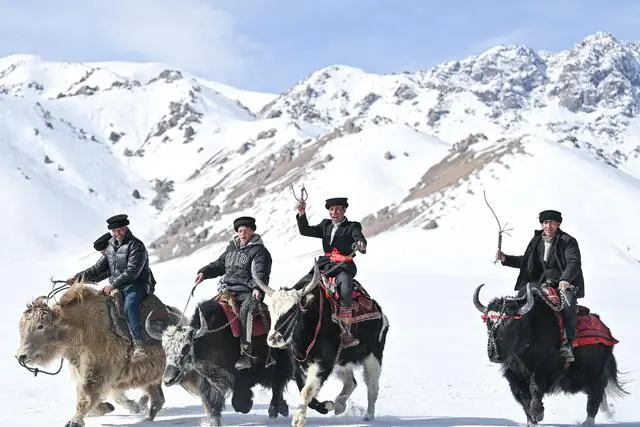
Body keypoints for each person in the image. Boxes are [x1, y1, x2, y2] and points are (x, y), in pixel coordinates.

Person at [496, 209, 584, 365]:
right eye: (545, 222)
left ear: (558, 224)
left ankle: (568, 344)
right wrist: (506, 259)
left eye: (551, 222)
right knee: (522, 299)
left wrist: (565, 279)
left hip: (562, 283)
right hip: (540, 282)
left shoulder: (568, 241)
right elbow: (527, 261)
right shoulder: (537, 241)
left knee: (568, 302)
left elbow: (573, 262)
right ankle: (519, 338)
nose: (548, 226)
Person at [67, 214, 154, 360]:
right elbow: (97, 268)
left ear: (126, 228)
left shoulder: (136, 246)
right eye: (114, 231)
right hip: (118, 286)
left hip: (136, 284)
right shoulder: (111, 247)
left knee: (130, 305)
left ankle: (139, 344)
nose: (117, 233)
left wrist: (113, 284)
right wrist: (77, 278)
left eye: (120, 230)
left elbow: (133, 271)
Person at [194, 216, 274, 370]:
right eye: (240, 230)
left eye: (245, 230)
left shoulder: (259, 251)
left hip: (248, 292)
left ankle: (246, 354)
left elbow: (261, 273)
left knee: (245, 312)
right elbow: (219, 265)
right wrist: (204, 272)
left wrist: (258, 288)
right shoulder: (231, 248)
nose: (242, 233)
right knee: (206, 310)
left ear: (252, 231)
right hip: (227, 291)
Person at [296, 197, 367, 348]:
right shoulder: (325, 225)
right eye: (331, 209)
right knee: (301, 285)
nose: (334, 212)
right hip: (324, 265)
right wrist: (302, 213)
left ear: (344, 210)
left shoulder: (352, 226)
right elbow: (305, 230)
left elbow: (358, 237)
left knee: (346, 287)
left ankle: (345, 332)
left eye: (338, 209)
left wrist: (360, 243)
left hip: (342, 266)